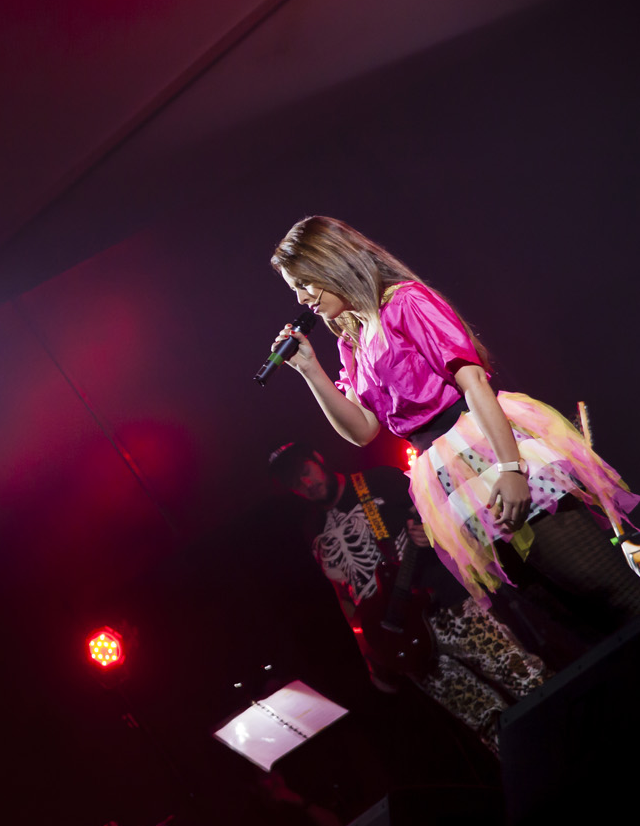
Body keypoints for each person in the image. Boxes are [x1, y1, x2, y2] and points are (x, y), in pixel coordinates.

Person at [269, 216, 640, 647]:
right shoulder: (350, 341)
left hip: (484, 444)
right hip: (447, 475)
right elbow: (363, 431)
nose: (301, 298)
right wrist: (310, 370)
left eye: (304, 283)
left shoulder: (405, 302)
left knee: (608, 587)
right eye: (294, 288)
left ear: (332, 265)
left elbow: (473, 381)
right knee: (565, 615)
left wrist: (512, 468)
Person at [268, 442, 548, 753]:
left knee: (521, 674)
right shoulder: (312, 529)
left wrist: (432, 533)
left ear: (317, 457)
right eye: (296, 484)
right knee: (485, 720)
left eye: (305, 471)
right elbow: (343, 593)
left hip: (447, 607)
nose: (307, 484)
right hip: (400, 640)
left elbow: (448, 513)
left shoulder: (380, 480)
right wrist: (370, 653)